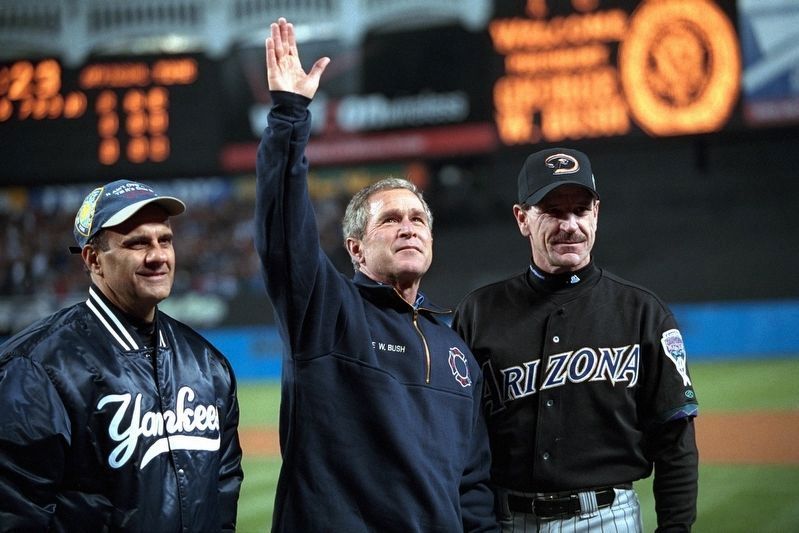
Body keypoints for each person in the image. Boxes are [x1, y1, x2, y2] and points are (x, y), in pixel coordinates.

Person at [255, 18, 497, 532]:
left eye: (417, 220)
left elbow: (473, 485)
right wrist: (290, 115)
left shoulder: (455, 351)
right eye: (389, 220)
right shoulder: (326, 314)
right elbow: (282, 232)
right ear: (355, 249)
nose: (407, 229)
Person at [452, 148, 699, 532]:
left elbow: (675, 442)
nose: (570, 225)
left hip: (606, 518)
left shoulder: (642, 313)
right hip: (507, 521)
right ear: (522, 218)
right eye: (553, 210)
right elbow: (457, 441)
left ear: (596, 214)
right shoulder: (478, 313)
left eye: (580, 210)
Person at [0, 179, 243, 531]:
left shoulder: (206, 364)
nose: (158, 255)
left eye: (165, 240)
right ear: (94, 259)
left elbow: (223, 489)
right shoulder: (36, 367)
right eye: (137, 243)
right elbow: (16, 513)